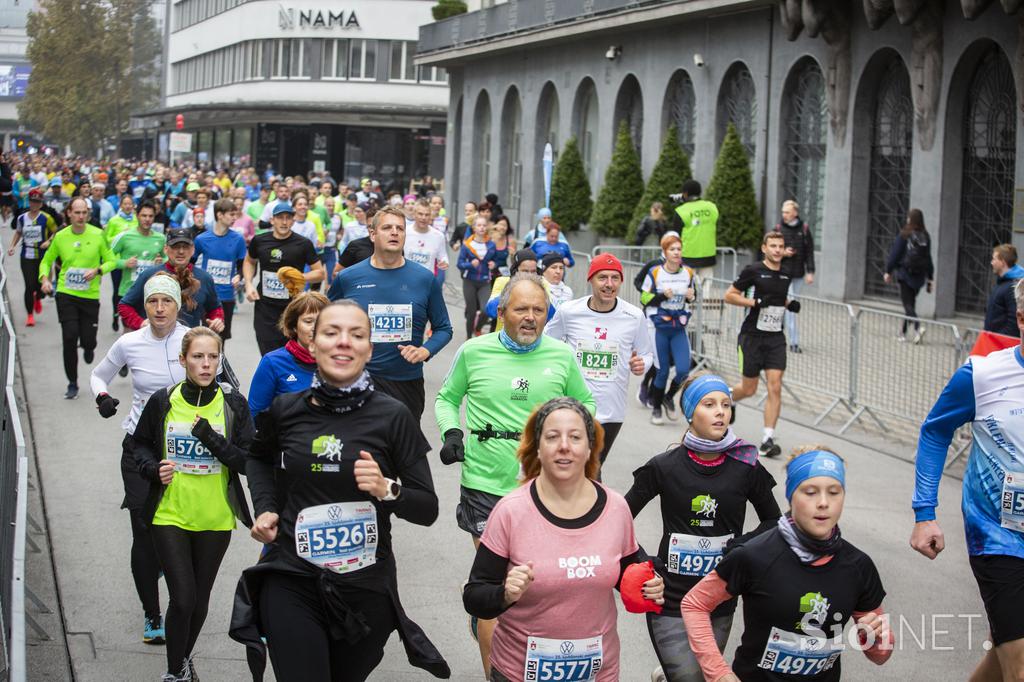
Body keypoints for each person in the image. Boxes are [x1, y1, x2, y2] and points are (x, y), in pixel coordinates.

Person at [229, 301, 451, 681]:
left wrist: (387, 489)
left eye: (357, 335)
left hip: (364, 587)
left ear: (369, 348)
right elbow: (258, 459)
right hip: (291, 576)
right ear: (312, 344)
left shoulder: (393, 416)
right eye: (331, 333)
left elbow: (427, 508)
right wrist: (266, 507)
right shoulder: (285, 409)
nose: (343, 343)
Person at [435, 273, 595, 676]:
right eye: (521, 309)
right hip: (485, 484)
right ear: (501, 312)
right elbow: (447, 398)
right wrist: (452, 433)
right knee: (499, 586)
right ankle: (496, 671)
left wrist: (578, 448)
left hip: (544, 488)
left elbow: (587, 403)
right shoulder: (474, 351)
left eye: (538, 310)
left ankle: (505, 634)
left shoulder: (561, 356)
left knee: (533, 583)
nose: (530, 317)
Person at [463, 397, 665, 681]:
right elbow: (475, 596)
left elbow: (629, 569)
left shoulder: (615, 508)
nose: (564, 446)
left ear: (590, 447)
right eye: (552, 436)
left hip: (597, 672)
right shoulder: (511, 511)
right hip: (520, 672)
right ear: (537, 446)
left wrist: (649, 586)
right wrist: (505, 594)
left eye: (575, 437)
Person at [682, 446, 893, 681]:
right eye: (810, 492)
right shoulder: (754, 555)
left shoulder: (859, 566)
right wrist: (718, 673)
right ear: (791, 495)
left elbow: (881, 655)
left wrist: (874, 637)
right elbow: (694, 604)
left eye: (834, 492)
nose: (823, 503)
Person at [625, 374, 781, 682]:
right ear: (689, 413)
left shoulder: (746, 466)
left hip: (718, 594)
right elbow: (618, 518)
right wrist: (644, 563)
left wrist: (741, 548)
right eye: (709, 404)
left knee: (699, 676)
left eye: (725, 404)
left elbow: (774, 522)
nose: (721, 411)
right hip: (669, 594)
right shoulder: (663, 466)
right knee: (689, 679)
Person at [911, 284, 1024, 682]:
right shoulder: (983, 374)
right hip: (998, 537)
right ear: (1022, 320)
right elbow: (935, 431)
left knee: (1006, 651)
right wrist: (925, 513)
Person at [129, 326, 254, 682]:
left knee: (199, 600)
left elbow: (247, 461)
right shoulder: (164, 400)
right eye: (198, 357)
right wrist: (153, 469)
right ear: (183, 360)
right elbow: (137, 445)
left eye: (213, 357)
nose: (206, 364)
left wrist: (213, 440)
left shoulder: (232, 404)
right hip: (170, 512)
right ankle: (173, 673)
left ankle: (183, 661)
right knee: (182, 598)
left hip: (215, 516)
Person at [90, 273, 189, 648]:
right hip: (138, 447)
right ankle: (152, 613)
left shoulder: (193, 341)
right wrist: (102, 399)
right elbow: (98, 376)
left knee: (176, 532)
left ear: (178, 305)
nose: (160, 308)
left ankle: (160, 572)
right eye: (152, 302)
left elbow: (227, 384)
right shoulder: (130, 342)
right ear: (144, 306)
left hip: (183, 451)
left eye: (167, 301)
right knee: (144, 532)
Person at [327, 206, 453, 420]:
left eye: (400, 229)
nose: (395, 232)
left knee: (402, 450)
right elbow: (324, 323)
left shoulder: (424, 279)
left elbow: (443, 328)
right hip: (357, 378)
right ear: (373, 234)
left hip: (405, 382)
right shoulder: (348, 278)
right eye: (387, 227)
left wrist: (425, 351)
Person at [545, 253, 652, 464]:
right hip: (573, 406)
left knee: (590, 468)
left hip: (612, 411)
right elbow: (547, 344)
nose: (609, 284)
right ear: (591, 279)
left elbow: (646, 353)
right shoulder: (569, 312)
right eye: (602, 277)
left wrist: (642, 364)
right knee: (584, 469)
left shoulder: (634, 316)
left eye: (615, 278)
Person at [726, 232, 799, 458]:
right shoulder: (753, 270)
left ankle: (767, 439)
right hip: (752, 337)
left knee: (774, 386)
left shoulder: (787, 273)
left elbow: (778, 297)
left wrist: (789, 303)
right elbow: (730, 295)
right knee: (749, 389)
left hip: (775, 338)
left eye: (780, 246)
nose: (777, 250)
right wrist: (755, 302)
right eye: (773, 246)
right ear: (764, 248)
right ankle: (729, 398)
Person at [39, 196, 117, 399]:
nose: (81, 216)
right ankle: (72, 382)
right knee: (69, 336)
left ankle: (89, 347)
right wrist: (45, 279)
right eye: (77, 212)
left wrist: (98, 270)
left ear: (88, 214)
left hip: (89, 296)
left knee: (89, 340)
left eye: (84, 213)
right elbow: (46, 261)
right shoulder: (61, 236)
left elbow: (112, 261)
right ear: (69, 213)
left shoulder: (98, 235)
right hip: (66, 293)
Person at [244, 201, 324, 355]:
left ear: (293, 221)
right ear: (272, 220)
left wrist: (299, 277)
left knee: (291, 355)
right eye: (280, 218)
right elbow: (249, 261)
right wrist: (248, 284)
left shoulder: (303, 244)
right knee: (267, 354)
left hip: (293, 309)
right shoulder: (260, 241)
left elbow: (319, 273)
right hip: (265, 309)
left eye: (288, 218)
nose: (284, 222)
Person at [119, 228, 225, 333]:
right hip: (156, 342)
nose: (181, 251)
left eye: (185, 247)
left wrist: (217, 320)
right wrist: (140, 323)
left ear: (193, 250)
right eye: (175, 247)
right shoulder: (150, 275)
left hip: (188, 344)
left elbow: (215, 308)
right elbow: (124, 305)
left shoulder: (204, 278)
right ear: (165, 249)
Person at [642, 233, 696, 426]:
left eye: (679, 249)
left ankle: (668, 397)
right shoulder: (655, 273)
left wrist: (691, 297)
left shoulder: (688, 273)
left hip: (678, 326)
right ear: (665, 252)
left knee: (683, 370)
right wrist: (662, 296)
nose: (676, 252)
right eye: (672, 249)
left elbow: (692, 297)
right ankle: (656, 407)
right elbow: (644, 298)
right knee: (662, 371)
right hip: (658, 326)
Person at [248, 292, 329, 416]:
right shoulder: (273, 362)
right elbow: (254, 415)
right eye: (308, 321)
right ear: (294, 326)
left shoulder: (338, 363)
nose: (315, 327)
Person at [193, 198, 247, 342]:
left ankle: (218, 364)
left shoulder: (238, 239)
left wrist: (239, 276)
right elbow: (190, 262)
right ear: (219, 215)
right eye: (231, 214)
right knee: (206, 336)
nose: (234, 218)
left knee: (220, 338)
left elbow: (243, 264)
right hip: (207, 296)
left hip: (227, 296)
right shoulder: (202, 239)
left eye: (235, 214)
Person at [110, 199, 166, 324]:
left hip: (152, 293)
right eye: (144, 215)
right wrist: (124, 263)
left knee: (152, 332)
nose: (147, 219)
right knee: (130, 332)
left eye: (151, 216)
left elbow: (168, 259)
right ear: (137, 216)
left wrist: (161, 262)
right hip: (129, 291)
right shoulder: (125, 236)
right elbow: (107, 258)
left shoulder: (160, 238)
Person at [883, 208, 934, 344]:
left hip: (906, 274)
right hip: (919, 276)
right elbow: (928, 258)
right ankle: (903, 333)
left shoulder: (905, 234)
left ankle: (918, 328)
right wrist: (930, 277)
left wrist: (888, 271)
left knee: (908, 305)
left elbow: (895, 254)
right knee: (910, 305)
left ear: (910, 219)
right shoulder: (926, 236)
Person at [7, 188, 56, 326]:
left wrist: (49, 241)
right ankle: (30, 315)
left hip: (42, 256)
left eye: (38, 202)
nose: (35, 204)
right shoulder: (22, 218)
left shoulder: (46, 218)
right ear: (29, 202)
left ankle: (38, 297)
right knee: (29, 286)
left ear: (41, 203)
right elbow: (18, 233)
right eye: (33, 201)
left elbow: (55, 232)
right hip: (26, 255)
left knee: (40, 286)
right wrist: (12, 246)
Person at [774, 199, 815, 353]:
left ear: (795, 213)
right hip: (782, 274)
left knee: (789, 306)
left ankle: (785, 336)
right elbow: (770, 252)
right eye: (783, 212)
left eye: (787, 212)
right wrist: (783, 253)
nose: (784, 215)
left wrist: (810, 272)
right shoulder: (778, 229)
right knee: (789, 305)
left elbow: (809, 252)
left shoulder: (804, 229)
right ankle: (793, 342)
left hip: (798, 274)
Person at [674, 180, 719, 294]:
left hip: (688, 255)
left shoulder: (681, 211)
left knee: (687, 287)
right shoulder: (712, 207)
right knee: (706, 288)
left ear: (685, 193)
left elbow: (676, 235)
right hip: (708, 254)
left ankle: (688, 309)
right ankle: (703, 310)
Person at [458, 214, 496, 338]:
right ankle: (468, 337)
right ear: (474, 228)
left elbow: (495, 261)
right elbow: (459, 264)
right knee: (471, 311)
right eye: (479, 225)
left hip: (484, 281)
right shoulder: (467, 245)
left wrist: (493, 264)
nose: (482, 228)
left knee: (486, 310)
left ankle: (478, 328)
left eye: (484, 225)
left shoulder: (491, 245)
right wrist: (469, 265)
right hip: (469, 281)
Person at [106, 193, 140, 330]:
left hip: (132, 262)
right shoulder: (114, 221)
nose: (127, 206)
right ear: (120, 205)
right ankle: (116, 314)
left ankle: (129, 316)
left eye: (129, 204)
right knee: (117, 290)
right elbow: (107, 240)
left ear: (133, 206)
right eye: (125, 204)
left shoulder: (136, 220)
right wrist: (121, 235)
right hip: (118, 261)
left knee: (131, 290)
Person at [404, 197, 450, 279]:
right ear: (414, 214)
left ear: (431, 216)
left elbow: (443, 255)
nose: (423, 217)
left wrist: (445, 262)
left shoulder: (438, 236)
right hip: (407, 280)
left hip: (427, 281)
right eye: (420, 214)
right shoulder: (404, 233)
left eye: (427, 215)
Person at [985, 243, 1023, 338]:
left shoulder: (1012, 287)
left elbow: (1014, 321)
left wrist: (999, 339)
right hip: (994, 342)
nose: (992, 262)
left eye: (994, 259)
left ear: (1002, 262)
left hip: (1001, 344)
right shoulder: (1002, 283)